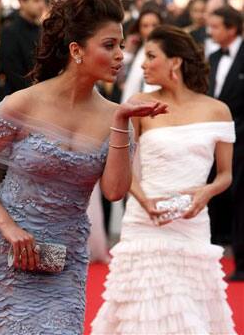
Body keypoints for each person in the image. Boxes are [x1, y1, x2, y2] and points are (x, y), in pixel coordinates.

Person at [0, 0, 168, 335]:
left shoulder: (116, 117)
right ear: (76, 49)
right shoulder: (21, 104)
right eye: (109, 45)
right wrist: (8, 226)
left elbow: (115, 191)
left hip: (62, 264)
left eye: (121, 45)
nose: (121, 55)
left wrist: (121, 123)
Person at [92, 25, 236, 335]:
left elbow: (225, 175)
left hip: (192, 223)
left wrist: (206, 193)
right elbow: (120, 166)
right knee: (143, 312)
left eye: (151, 56)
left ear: (176, 62)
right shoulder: (140, 103)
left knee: (189, 310)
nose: (142, 64)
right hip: (144, 223)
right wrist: (145, 202)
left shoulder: (218, 111)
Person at [208, 6, 244, 281]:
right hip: (212, 139)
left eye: (216, 26)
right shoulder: (211, 57)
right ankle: (212, 254)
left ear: (232, 28)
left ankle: (242, 262)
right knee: (216, 196)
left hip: (242, 140)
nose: (211, 31)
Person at [0, 0, 47, 94]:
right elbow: (12, 70)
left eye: (43, 0)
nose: (41, 5)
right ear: (22, 1)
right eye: (36, 0)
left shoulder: (41, 29)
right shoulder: (10, 30)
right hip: (19, 96)